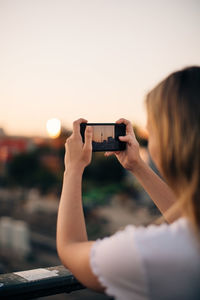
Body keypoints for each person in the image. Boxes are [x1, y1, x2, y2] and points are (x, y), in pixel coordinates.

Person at [56, 66, 200, 300]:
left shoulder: (149, 254)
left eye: (151, 133)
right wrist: (137, 166)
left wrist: (72, 170)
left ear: (173, 142)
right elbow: (189, 220)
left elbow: (70, 248)